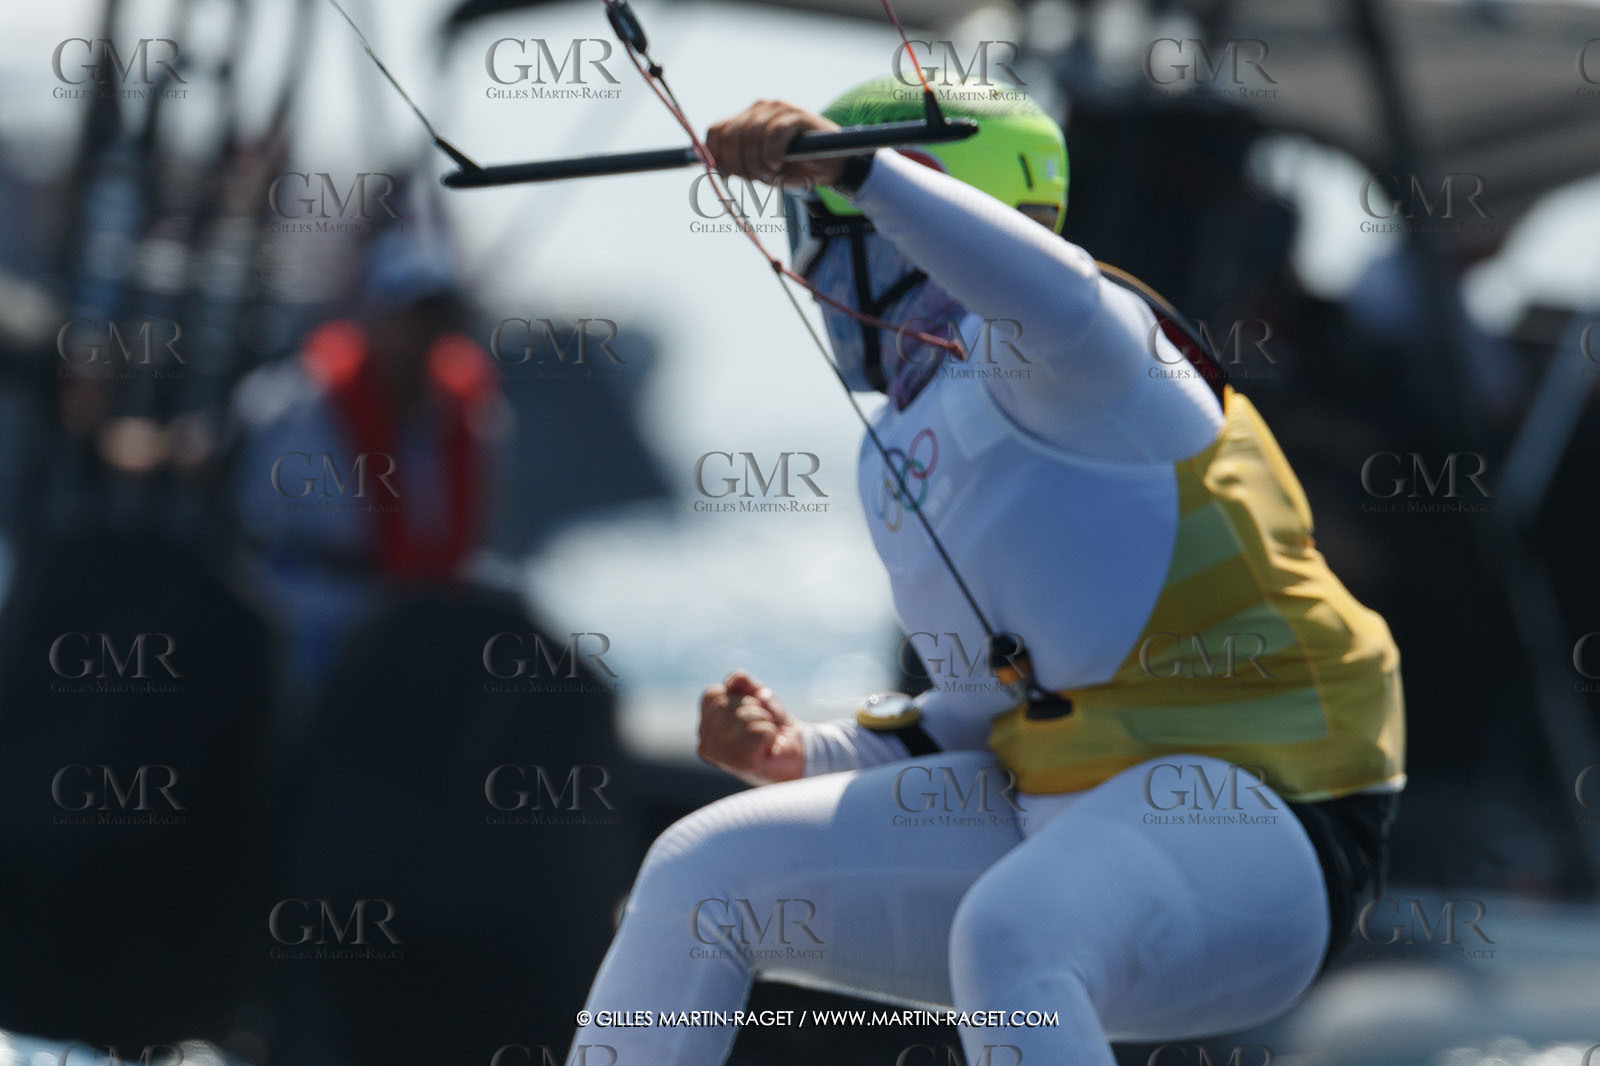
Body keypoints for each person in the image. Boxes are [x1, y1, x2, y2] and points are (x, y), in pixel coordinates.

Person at [567, 74, 1405, 1066]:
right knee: (701, 872)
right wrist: (806, 754)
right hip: (1061, 814)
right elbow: (985, 705)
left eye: (825, 232)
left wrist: (864, 170)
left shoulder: (1094, 351)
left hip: (1280, 819)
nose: (810, 272)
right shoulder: (899, 441)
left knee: (1012, 932)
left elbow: (1048, 288)